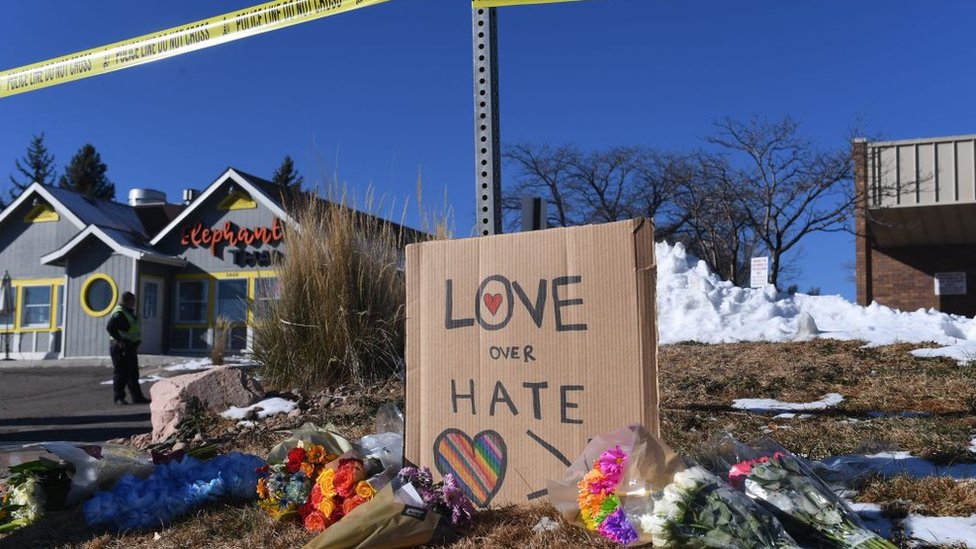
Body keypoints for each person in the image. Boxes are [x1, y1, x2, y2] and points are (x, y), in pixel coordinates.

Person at [106, 291, 151, 405]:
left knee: (133, 373)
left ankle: (137, 397)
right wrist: (119, 340)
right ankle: (119, 397)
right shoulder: (119, 313)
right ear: (127, 301)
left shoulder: (128, 312)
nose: (134, 303)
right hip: (121, 347)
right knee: (121, 373)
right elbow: (110, 327)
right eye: (133, 301)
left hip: (130, 346)